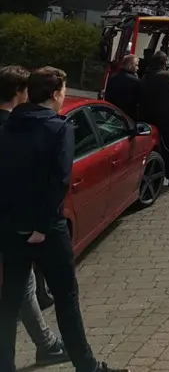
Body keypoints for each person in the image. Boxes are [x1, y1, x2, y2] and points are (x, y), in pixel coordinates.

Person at [0, 66, 129, 372]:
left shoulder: (8, 126)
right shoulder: (59, 129)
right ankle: (87, 366)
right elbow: (59, 181)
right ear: (56, 94)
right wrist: (42, 227)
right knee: (66, 299)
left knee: (9, 301)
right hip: (47, 230)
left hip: (10, 228)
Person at [0, 66, 68, 368]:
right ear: (19, 92)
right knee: (17, 292)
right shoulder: (17, 126)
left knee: (21, 287)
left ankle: (46, 344)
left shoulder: (14, 123)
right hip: (17, 223)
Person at [138, 52, 169, 188]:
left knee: (162, 148)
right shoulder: (165, 76)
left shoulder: (146, 76)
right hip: (168, 118)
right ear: (163, 63)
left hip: (151, 117)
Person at [104, 55, 140, 120]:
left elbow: (107, 95)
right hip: (127, 117)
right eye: (136, 65)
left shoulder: (113, 77)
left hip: (112, 114)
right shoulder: (135, 81)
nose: (138, 68)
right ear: (130, 65)